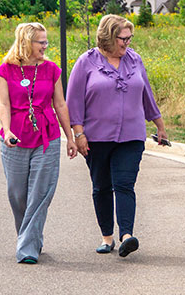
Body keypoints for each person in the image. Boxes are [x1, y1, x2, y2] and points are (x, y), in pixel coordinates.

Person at [66, 14, 168, 258]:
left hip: (131, 136)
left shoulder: (135, 60)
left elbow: (147, 96)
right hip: (96, 137)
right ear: (108, 37)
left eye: (129, 38)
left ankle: (127, 236)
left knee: (124, 184)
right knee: (101, 186)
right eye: (123, 38)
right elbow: (74, 101)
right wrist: (78, 133)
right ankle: (107, 237)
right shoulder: (86, 62)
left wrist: (160, 125)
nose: (127, 43)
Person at [0, 22, 78, 264]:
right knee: (17, 194)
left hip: (47, 137)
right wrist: (8, 130)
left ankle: (27, 248)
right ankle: (30, 237)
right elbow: (4, 105)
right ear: (25, 42)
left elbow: (60, 104)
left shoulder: (52, 70)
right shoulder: (5, 71)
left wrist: (69, 137)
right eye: (40, 41)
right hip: (16, 138)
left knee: (41, 193)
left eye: (46, 41)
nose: (45, 45)